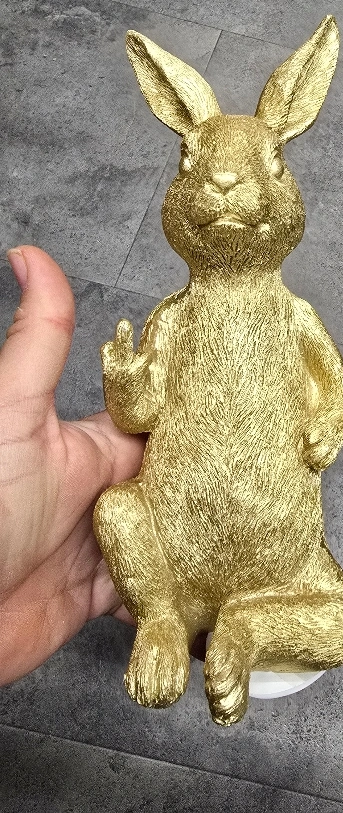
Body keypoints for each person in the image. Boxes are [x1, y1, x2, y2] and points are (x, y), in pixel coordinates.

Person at [0, 245, 202, 686]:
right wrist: (126, 381)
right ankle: (164, 621)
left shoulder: (292, 317)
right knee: (114, 508)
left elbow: (334, 396)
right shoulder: (174, 316)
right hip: (160, 512)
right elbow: (137, 415)